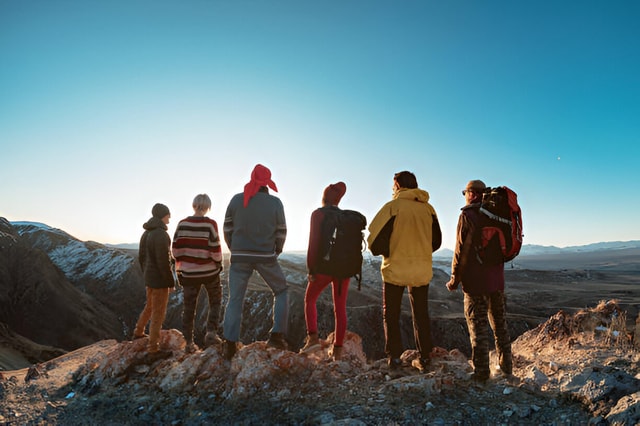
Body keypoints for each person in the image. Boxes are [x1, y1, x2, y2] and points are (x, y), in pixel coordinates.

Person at [367, 171, 442, 373]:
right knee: (421, 314)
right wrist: (419, 252)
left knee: (391, 314)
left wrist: (392, 251)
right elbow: (436, 242)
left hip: (395, 269)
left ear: (398, 185)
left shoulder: (393, 207)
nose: (392, 188)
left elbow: (373, 242)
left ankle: (394, 358)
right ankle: (425, 356)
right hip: (421, 269)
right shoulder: (429, 209)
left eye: (393, 185)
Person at [445, 179, 512, 382]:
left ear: (472, 194)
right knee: (500, 326)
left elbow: (461, 250)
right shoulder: (499, 214)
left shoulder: (468, 215)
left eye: (466, 192)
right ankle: (507, 368)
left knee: (478, 327)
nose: (465, 195)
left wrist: (455, 279)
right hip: (497, 281)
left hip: (475, 283)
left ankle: (482, 373)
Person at [221, 164, 289, 360]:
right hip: (266, 257)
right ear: (267, 183)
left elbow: (227, 229)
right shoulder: (275, 203)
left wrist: (235, 248)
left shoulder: (236, 199)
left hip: (240, 256)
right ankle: (276, 336)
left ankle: (230, 344)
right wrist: (277, 250)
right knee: (282, 291)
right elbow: (281, 231)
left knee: (235, 298)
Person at [300, 182, 350, 361]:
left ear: (324, 197)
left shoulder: (318, 214)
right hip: (343, 270)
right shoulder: (344, 217)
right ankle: (337, 350)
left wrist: (311, 268)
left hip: (323, 268)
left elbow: (313, 243)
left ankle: (313, 338)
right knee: (340, 308)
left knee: (309, 299)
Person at [172, 194, 224, 353]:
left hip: (188, 274)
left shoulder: (182, 224)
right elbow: (215, 250)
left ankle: (188, 342)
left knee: (189, 307)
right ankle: (211, 332)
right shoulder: (210, 224)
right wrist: (218, 264)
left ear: (194, 205)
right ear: (208, 206)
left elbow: (175, 251)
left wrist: (187, 263)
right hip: (209, 273)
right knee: (215, 301)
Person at [134, 203, 176, 359]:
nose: (170, 218)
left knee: (150, 307)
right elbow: (163, 262)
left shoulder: (146, 233)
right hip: (159, 280)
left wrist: (146, 273)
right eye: (168, 215)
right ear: (162, 215)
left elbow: (141, 257)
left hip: (149, 278)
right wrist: (170, 282)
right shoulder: (161, 235)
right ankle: (153, 348)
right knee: (158, 312)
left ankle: (138, 332)